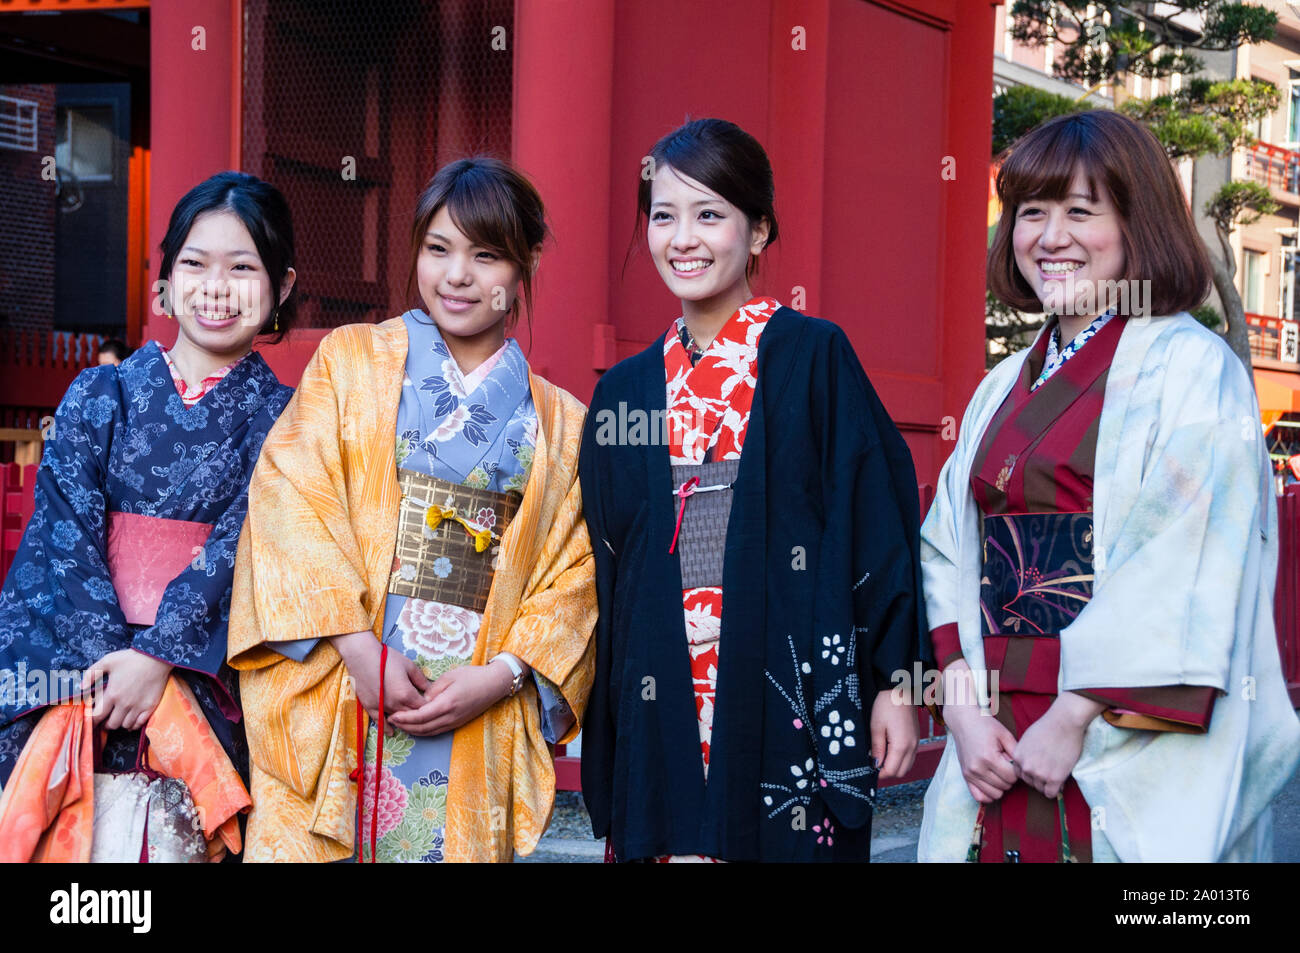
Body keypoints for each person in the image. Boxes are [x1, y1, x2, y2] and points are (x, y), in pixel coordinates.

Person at [918, 110, 1300, 862]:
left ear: (1137, 223)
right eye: (1032, 212)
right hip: (992, 725)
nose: (1050, 236)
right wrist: (961, 712)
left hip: (1115, 721)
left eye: (1080, 212)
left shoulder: (1191, 367)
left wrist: (1071, 716)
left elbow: (1186, 557)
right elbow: (946, 549)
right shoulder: (1002, 383)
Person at [578, 118, 929, 862]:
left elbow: (876, 523)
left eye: (710, 214)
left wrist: (898, 680)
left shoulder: (814, 357)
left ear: (759, 231)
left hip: (783, 683)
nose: (684, 238)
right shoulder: (627, 391)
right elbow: (608, 564)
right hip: (663, 688)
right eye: (664, 216)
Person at [228, 157, 596, 863]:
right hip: (346, 668)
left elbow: (573, 574)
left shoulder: (563, 423)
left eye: (485, 255)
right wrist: (358, 648)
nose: (457, 275)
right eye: (438, 249)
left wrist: (503, 675)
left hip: (475, 690)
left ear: (524, 266)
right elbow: (290, 496)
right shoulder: (350, 361)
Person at [0, 171, 298, 860]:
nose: (214, 287)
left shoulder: (288, 421)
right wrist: (115, 667)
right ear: (165, 277)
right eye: (193, 263)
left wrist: (160, 655)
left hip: (205, 670)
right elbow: (63, 533)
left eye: (242, 267)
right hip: (85, 671)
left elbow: (246, 542)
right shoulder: (100, 392)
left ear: (281, 286)